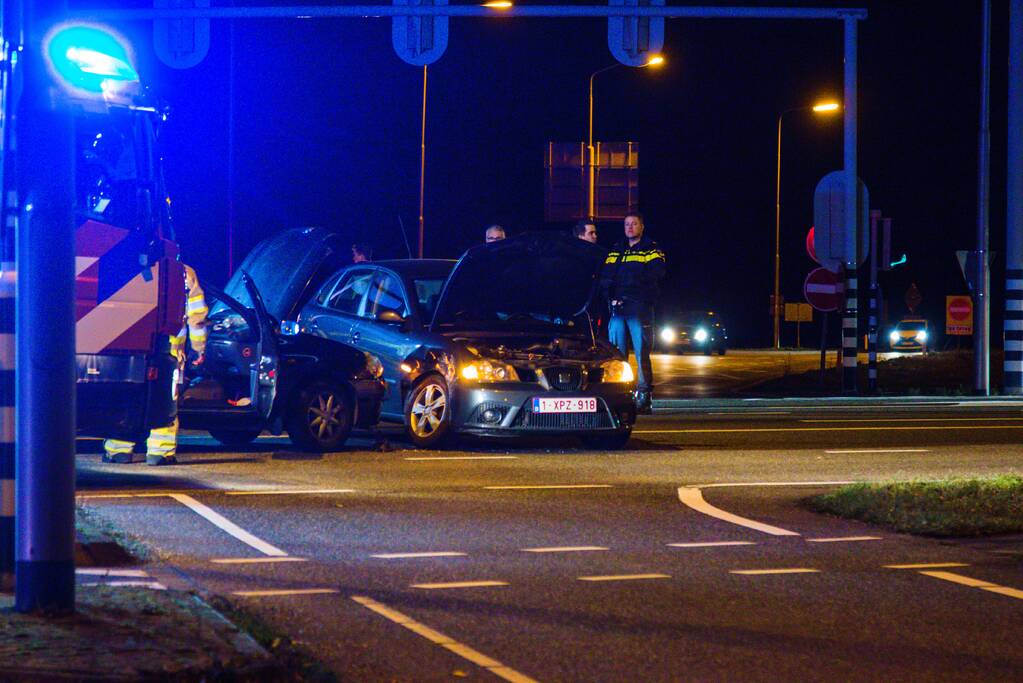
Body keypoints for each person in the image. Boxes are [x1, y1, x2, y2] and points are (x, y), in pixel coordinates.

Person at [103, 263, 208, 466]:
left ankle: (119, 450)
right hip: (169, 351)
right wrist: (199, 347)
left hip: (131, 346)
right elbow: (197, 316)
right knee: (164, 400)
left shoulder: (129, 266)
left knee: (128, 395)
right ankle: (160, 453)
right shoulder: (185, 273)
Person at [600, 212, 665, 414]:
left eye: (634, 224)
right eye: (627, 224)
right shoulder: (616, 250)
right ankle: (621, 395)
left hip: (639, 308)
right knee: (618, 356)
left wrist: (630, 294)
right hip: (618, 309)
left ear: (642, 226)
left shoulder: (651, 248)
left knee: (641, 353)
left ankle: (644, 396)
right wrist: (611, 297)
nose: (630, 227)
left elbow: (655, 275)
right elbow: (606, 276)